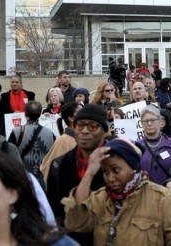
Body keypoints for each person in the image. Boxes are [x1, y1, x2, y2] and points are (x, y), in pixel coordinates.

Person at [63, 138, 171, 245]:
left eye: (116, 170)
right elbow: (75, 222)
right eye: (105, 172)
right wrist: (89, 173)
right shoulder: (100, 199)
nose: (110, 178)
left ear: (133, 168)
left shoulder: (163, 200)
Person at [47, 103, 108, 245]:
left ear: (104, 130)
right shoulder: (59, 165)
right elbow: (55, 209)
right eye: (79, 125)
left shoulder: (116, 161)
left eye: (92, 126)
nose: (85, 131)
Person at [8, 101, 55, 185]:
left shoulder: (16, 131)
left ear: (25, 113)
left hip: (22, 177)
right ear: (40, 114)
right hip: (43, 179)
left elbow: (8, 154)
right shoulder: (50, 134)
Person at [137, 106, 171, 185]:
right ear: (141, 123)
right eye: (146, 121)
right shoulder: (136, 147)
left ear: (159, 121)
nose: (149, 123)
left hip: (168, 194)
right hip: (145, 194)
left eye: (153, 120)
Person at [40, 102, 82, 182]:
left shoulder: (83, 138)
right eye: (80, 112)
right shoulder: (63, 141)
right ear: (71, 118)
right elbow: (47, 167)